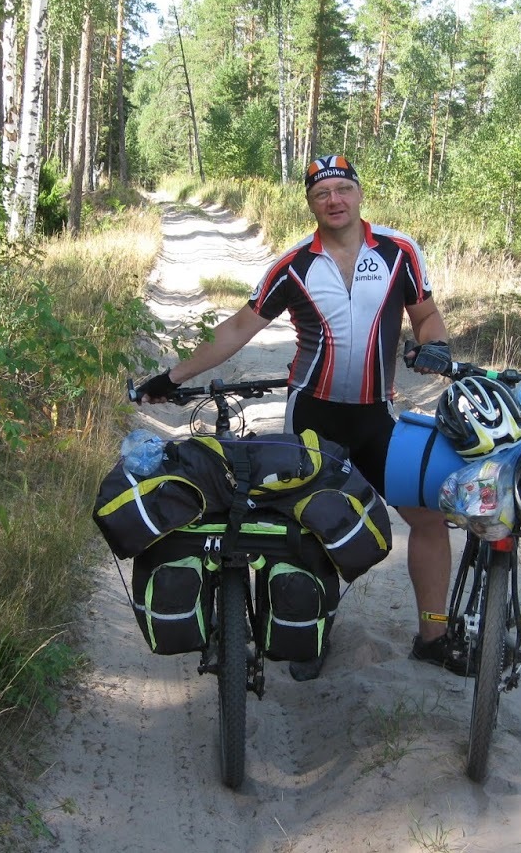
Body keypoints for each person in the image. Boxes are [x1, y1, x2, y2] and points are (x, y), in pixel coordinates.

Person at [135, 155, 460, 680]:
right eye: (322, 193)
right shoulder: (293, 266)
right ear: (310, 203)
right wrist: (172, 377)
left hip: (377, 416)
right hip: (313, 417)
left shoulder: (400, 252)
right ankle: (305, 631)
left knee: (426, 516)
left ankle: (434, 635)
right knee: (305, 530)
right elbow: (238, 328)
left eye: (342, 189)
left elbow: (425, 316)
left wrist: (436, 346)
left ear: (358, 194)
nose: (334, 200)